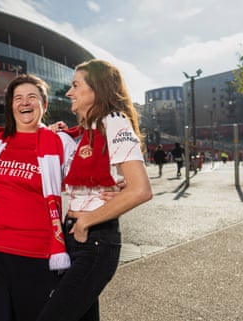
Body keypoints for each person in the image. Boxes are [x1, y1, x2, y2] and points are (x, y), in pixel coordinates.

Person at [35, 59, 153, 321]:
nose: (69, 92)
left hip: (95, 239)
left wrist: (86, 219)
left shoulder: (113, 121)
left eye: (76, 85)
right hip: (74, 236)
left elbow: (141, 189)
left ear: (97, 90)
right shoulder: (83, 132)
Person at [0, 74, 77, 321]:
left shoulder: (59, 142)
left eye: (32, 97)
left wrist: (112, 187)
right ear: (11, 105)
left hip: (37, 258)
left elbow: (86, 180)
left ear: (44, 104)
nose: (24, 102)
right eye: (18, 98)